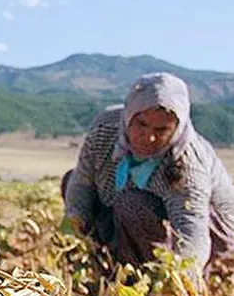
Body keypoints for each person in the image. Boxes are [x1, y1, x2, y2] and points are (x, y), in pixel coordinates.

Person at [62, 72, 234, 279]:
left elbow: (191, 232)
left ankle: (141, 277)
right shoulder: (105, 129)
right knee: (71, 181)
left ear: (176, 129)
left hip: (209, 234)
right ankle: (110, 264)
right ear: (129, 116)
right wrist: (74, 233)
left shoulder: (186, 161)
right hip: (134, 218)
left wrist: (179, 280)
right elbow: (82, 182)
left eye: (162, 130)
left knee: (132, 204)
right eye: (141, 124)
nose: (149, 137)